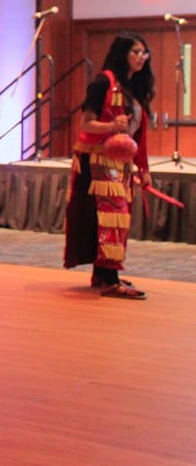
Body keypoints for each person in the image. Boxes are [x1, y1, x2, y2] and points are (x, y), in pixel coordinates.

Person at [64, 31, 154, 299]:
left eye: (144, 53)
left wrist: (144, 168)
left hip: (121, 164)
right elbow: (86, 122)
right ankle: (109, 277)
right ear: (122, 54)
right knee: (111, 217)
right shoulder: (105, 81)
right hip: (98, 161)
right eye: (135, 52)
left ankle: (103, 273)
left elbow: (139, 135)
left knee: (115, 218)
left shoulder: (135, 87)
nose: (141, 57)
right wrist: (112, 126)